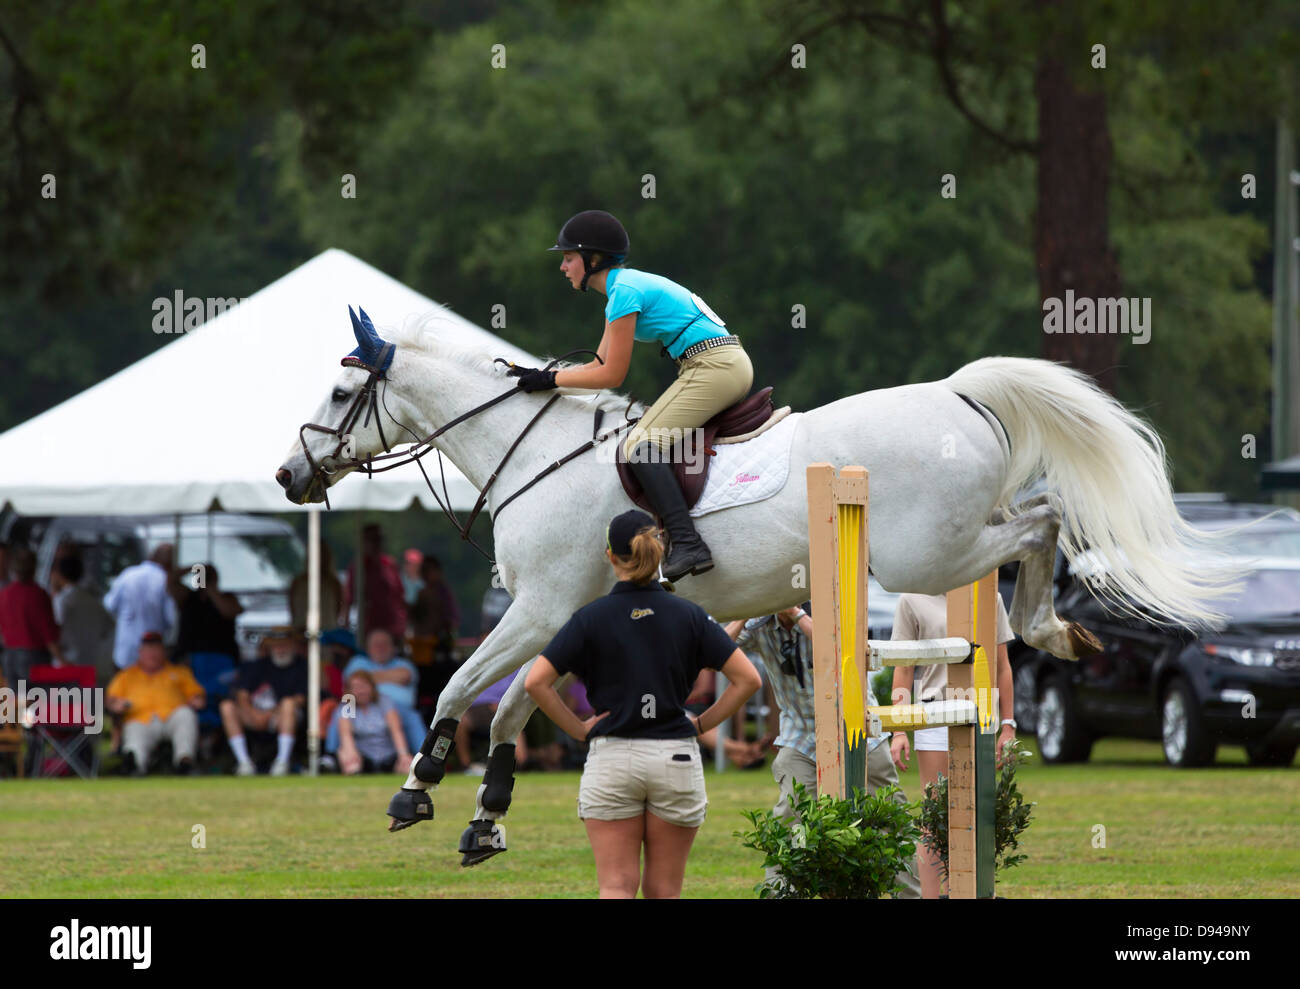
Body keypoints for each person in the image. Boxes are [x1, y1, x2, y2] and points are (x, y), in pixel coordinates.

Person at [525, 509, 761, 899]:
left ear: (610, 556)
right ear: (661, 553)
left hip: (612, 757)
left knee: (616, 887)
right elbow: (747, 680)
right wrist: (700, 725)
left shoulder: (589, 618)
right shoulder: (691, 615)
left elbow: (537, 683)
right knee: (664, 891)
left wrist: (580, 729)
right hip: (675, 757)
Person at [507, 210, 753, 582]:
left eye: (568, 258)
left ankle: (687, 543)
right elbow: (598, 365)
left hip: (713, 367)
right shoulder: (622, 289)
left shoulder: (623, 293)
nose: (563, 267)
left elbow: (611, 375)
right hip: (718, 364)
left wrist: (553, 379)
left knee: (639, 445)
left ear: (592, 260)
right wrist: (545, 378)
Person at [722, 606, 921, 898]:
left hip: (857, 731)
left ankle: (909, 896)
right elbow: (716, 653)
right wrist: (745, 613)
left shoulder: (831, 605)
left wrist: (797, 615)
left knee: (890, 821)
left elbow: (839, 650)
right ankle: (783, 894)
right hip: (800, 736)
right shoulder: (760, 624)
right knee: (790, 821)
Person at [888, 592, 1017, 899]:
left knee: (979, 813)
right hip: (934, 711)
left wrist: (1008, 725)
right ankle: (932, 896)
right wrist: (899, 730)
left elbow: (1002, 666)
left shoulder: (989, 594)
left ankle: (973, 891)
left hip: (981, 714)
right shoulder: (911, 598)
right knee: (934, 814)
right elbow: (903, 669)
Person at [105, 631, 205, 775]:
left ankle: (185, 761)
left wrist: (196, 700)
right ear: (140, 652)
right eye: (149, 650)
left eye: (157, 649)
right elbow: (111, 700)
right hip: (140, 719)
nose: (153, 654)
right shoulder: (126, 675)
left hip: (172, 717)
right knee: (134, 730)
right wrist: (116, 705)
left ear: (164, 652)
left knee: (186, 715)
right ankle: (135, 764)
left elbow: (198, 696)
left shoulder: (179, 672)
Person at [220, 626, 308, 776]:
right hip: (254, 715)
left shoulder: (302, 667)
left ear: (293, 646)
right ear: (270, 647)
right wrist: (253, 713)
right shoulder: (257, 665)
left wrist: (271, 713)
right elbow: (242, 694)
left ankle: (282, 762)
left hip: (284, 716)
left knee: (288, 703)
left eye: (285, 644)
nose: (280, 649)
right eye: (276, 645)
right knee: (226, 706)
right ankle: (244, 763)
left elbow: (301, 698)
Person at [338, 627, 426, 755]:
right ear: (367, 648)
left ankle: (424, 758)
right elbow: (351, 683)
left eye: (385, 644)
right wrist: (390, 677)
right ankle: (330, 756)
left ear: (393, 647)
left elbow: (405, 676)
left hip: (399, 708)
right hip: (359, 705)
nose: (380, 648)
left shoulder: (404, 663)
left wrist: (367, 678)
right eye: (376, 644)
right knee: (341, 711)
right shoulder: (357, 662)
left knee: (413, 717)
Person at [0, 547, 65, 691]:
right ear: (34, 568)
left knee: (14, 705)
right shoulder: (38, 595)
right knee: (39, 702)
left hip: (10, 657)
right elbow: (48, 634)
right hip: (34, 658)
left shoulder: (4, 594)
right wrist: (62, 660)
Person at [103, 544, 177, 671]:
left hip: (126, 651)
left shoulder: (128, 574)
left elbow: (110, 604)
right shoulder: (164, 580)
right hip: (153, 653)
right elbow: (171, 618)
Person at [329, 670, 411, 775]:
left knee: (407, 766)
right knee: (350, 762)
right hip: (362, 756)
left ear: (372, 687)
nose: (361, 691)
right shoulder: (347, 707)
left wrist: (403, 754)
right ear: (349, 691)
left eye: (364, 686)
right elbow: (345, 735)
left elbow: (396, 731)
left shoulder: (384, 702)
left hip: (389, 755)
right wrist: (352, 755)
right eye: (356, 687)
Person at [50, 556, 115, 686]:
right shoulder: (93, 601)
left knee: (63, 704)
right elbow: (109, 626)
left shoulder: (61, 600)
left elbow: (53, 630)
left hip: (65, 663)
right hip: (89, 662)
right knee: (86, 704)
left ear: (59, 574)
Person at [168, 562, 242, 667]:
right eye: (202, 576)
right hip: (188, 657)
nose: (204, 579)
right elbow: (171, 580)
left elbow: (229, 611)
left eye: (208, 576)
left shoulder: (228, 598)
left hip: (220, 655)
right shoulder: (187, 597)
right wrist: (196, 567)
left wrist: (211, 590)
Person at [289, 540, 342, 637]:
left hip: (321, 633)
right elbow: (338, 609)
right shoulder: (334, 583)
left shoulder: (298, 582)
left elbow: (292, 610)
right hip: (314, 632)